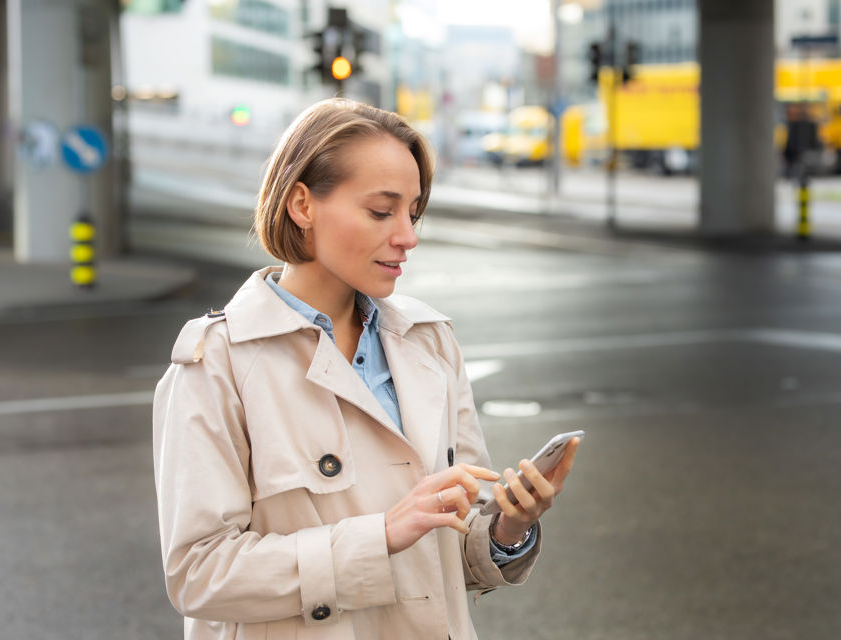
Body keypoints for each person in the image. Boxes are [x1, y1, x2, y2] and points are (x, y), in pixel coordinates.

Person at [152, 98, 582, 640]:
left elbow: (449, 559)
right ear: (302, 204)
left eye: (413, 211)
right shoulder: (217, 362)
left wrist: (509, 527)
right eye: (382, 211)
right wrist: (379, 537)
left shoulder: (429, 341)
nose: (408, 236)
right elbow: (198, 575)